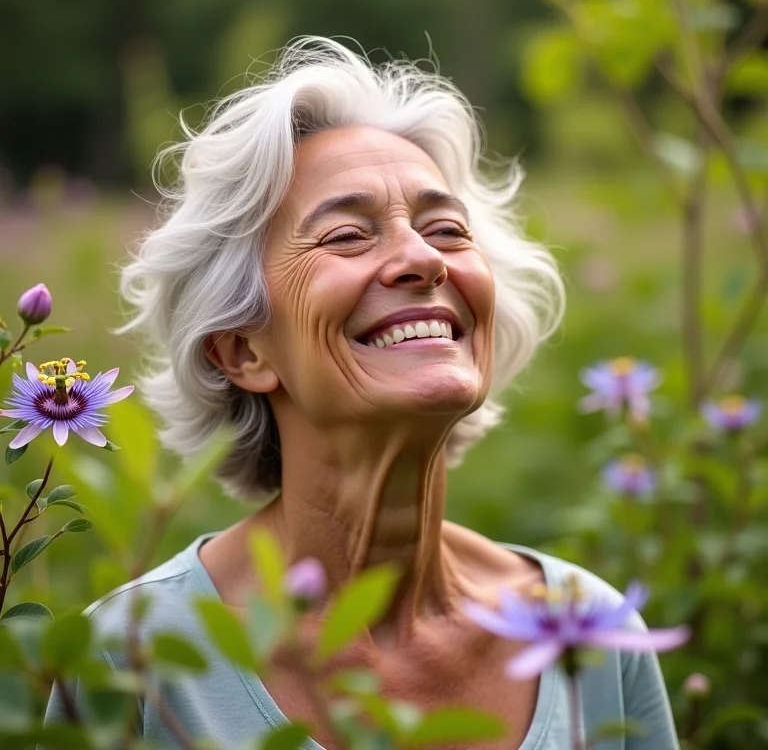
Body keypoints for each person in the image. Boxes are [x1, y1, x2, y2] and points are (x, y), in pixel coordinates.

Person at [46, 37, 680, 749]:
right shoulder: (128, 657)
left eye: (446, 229)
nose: (423, 258)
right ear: (243, 351)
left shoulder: (588, 634)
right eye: (348, 236)